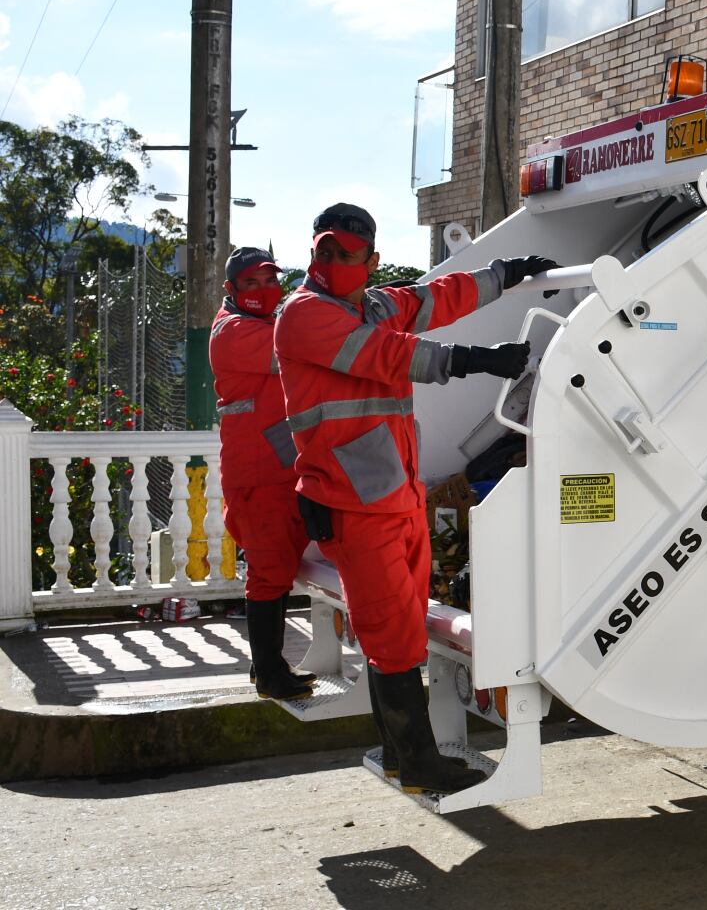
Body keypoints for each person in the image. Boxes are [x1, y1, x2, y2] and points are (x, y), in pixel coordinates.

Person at [275, 203, 553, 794]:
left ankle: (404, 756)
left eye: (345, 254)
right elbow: (394, 356)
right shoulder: (302, 316)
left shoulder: (372, 303)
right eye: (323, 250)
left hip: (395, 495)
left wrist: (506, 273)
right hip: (354, 504)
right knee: (392, 636)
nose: (330, 262)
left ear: (370, 260)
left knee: (398, 631)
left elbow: (435, 299)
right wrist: (480, 359)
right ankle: (421, 764)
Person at [211, 246, 315, 701]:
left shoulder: (261, 323)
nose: (262, 290)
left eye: (269, 281)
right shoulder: (232, 332)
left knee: (279, 569)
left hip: (278, 470)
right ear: (231, 290)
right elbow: (297, 349)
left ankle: (267, 667)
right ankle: (271, 675)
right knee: (269, 573)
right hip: (257, 475)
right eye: (250, 283)